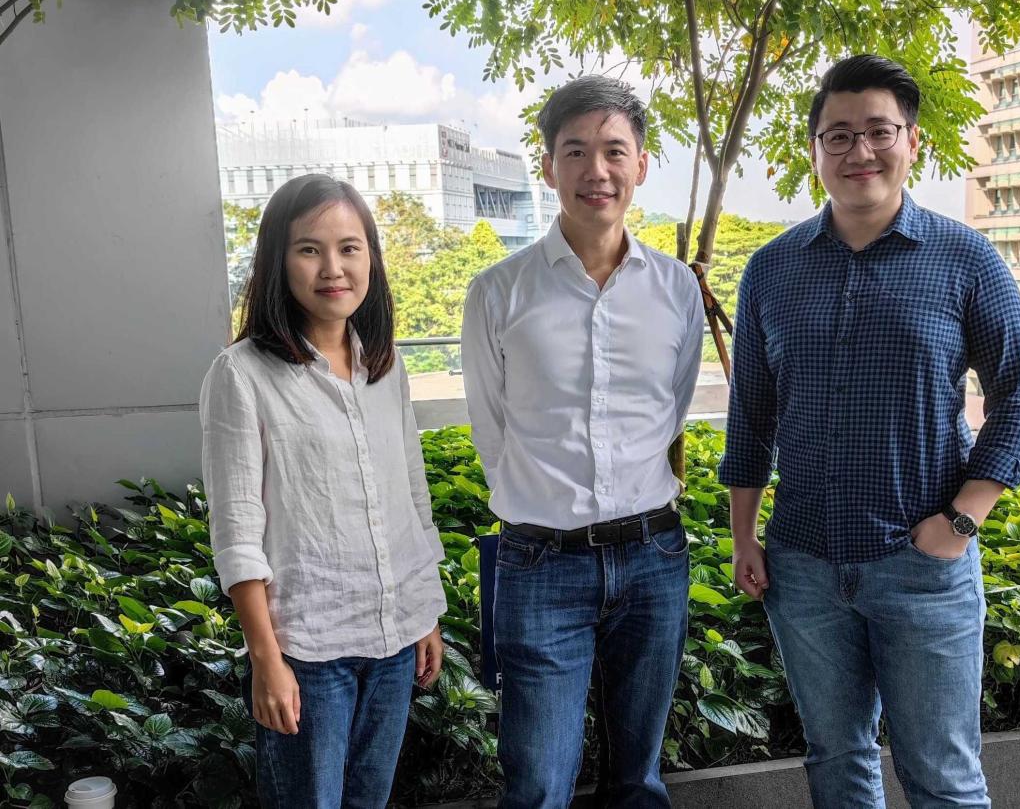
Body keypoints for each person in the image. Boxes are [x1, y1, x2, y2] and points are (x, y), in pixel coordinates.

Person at [719, 54, 1020, 809]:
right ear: (813, 151)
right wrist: (744, 535)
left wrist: (961, 520)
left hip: (920, 565)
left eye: (877, 131)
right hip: (801, 566)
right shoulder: (771, 269)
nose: (857, 151)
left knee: (942, 777)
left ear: (913, 142)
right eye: (836, 135)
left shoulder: (964, 258)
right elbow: (751, 415)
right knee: (836, 760)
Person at [462, 75, 704, 808]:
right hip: (540, 562)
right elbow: (489, 428)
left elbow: (675, 406)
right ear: (547, 167)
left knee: (638, 779)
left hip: (654, 556)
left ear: (640, 164)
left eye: (612, 151)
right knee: (537, 784)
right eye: (575, 151)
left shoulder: (675, 290)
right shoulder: (498, 291)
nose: (594, 170)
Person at [200, 174, 447, 808]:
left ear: (371, 258)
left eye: (350, 247)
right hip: (309, 651)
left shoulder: (384, 366)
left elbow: (410, 498)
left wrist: (425, 614)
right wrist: (266, 660)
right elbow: (236, 529)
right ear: (278, 261)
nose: (332, 267)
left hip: (393, 640)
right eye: (309, 248)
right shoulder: (243, 373)